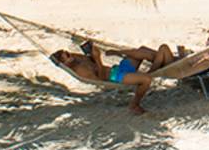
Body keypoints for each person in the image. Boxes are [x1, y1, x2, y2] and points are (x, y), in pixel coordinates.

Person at [50, 42, 180, 114]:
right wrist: (98, 58)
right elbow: (100, 79)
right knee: (146, 80)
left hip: (117, 69)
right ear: (65, 63)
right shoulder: (80, 71)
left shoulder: (76, 59)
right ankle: (134, 104)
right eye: (65, 56)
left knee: (143, 50)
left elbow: (90, 59)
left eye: (67, 53)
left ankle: (158, 66)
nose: (69, 54)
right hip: (114, 76)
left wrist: (92, 53)